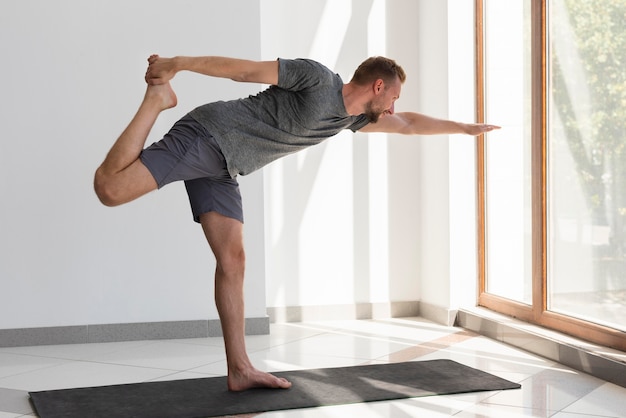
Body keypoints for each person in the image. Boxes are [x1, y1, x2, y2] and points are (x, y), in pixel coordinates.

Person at [93, 54, 500, 392]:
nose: (392, 108)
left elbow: (409, 124)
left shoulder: (351, 119)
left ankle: (240, 369)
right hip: (208, 136)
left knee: (233, 261)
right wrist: (178, 64)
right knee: (110, 190)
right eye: (392, 97)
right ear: (378, 86)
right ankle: (156, 101)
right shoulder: (317, 78)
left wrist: (463, 128)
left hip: (225, 165)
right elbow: (244, 71)